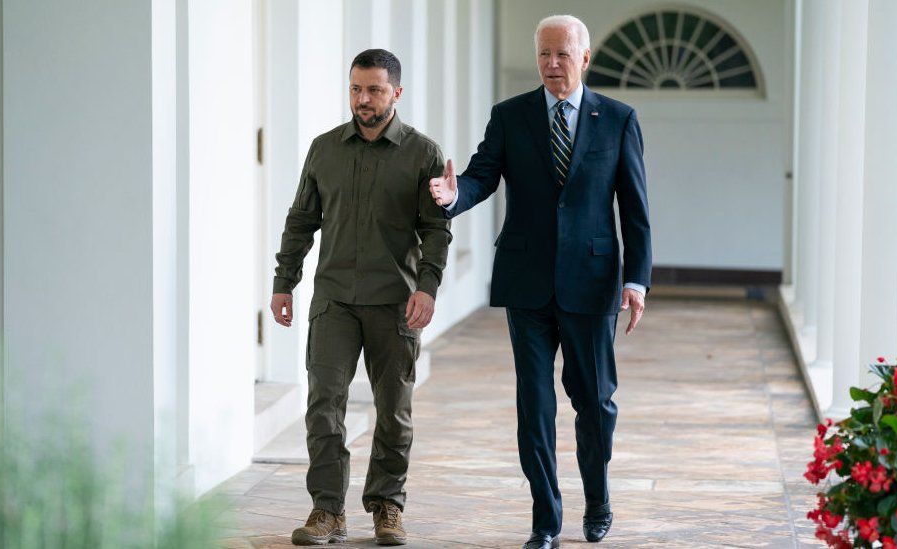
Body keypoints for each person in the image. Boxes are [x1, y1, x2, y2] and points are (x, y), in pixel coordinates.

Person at [429, 14, 651, 549]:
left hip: (593, 281)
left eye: (563, 55)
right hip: (527, 281)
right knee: (535, 404)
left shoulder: (618, 118)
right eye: (544, 55)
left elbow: (635, 207)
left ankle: (597, 499)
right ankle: (545, 521)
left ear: (585, 58)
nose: (552, 65)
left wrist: (637, 281)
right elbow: (483, 173)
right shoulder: (511, 116)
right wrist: (454, 196)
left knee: (595, 401)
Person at [272, 48, 452, 546]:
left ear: (396, 91)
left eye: (374, 89)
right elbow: (301, 220)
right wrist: (284, 282)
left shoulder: (424, 154)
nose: (363, 99)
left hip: (395, 302)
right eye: (356, 88)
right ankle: (327, 511)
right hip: (334, 300)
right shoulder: (324, 149)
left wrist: (427, 288)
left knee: (393, 408)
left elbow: (436, 230)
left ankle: (387, 507)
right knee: (323, 404)